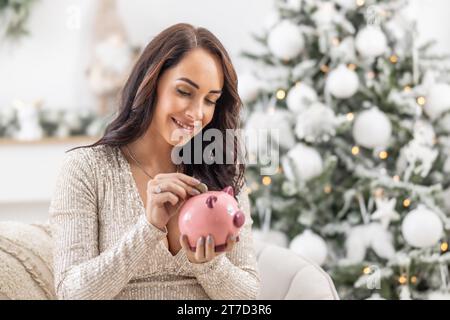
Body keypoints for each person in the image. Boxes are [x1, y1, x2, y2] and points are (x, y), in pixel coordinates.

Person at [49, 23, 260, 300]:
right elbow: (71, 294)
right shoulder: (86, 169)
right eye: (184, 91)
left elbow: (250, 298)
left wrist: (208, 264)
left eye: (210, 100)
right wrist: (148, 229)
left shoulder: (220, 172)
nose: (197, 113)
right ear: (151, 83)